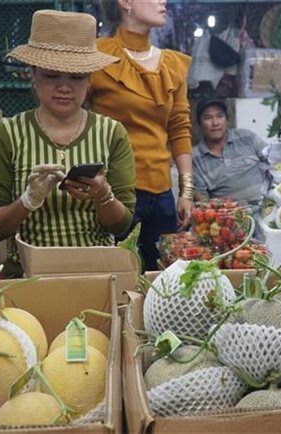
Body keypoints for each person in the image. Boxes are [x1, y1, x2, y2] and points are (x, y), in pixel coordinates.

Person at [0, 10, 137, 278]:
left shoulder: (111, 134)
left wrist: (103, 195)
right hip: (29, 277)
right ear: (33, 76)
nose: (64, 87)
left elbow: (122, 227)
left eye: (76, 77)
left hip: (97, 274)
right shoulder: (8, 135)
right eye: (52, 75)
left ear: (89, 81)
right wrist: (27, 202)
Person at [90, 0, 193, 271]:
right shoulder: (98, 56)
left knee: (164, 280)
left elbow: (179, 127)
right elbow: (76, 116)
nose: (163, 1)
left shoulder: (172, 64)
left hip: (162, 196)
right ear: (125, 2)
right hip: (116, 192)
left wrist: (186, 190)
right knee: (118, 278)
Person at [192, 99, 269, 204]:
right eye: (208, 118)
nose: (215, 123)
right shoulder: (195, 158)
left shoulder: (246, 137)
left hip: (266, 207)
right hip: (230, 216)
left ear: (227, 119)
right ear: (199, 124)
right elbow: (201, 198)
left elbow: (273, 159)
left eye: (220, 116)